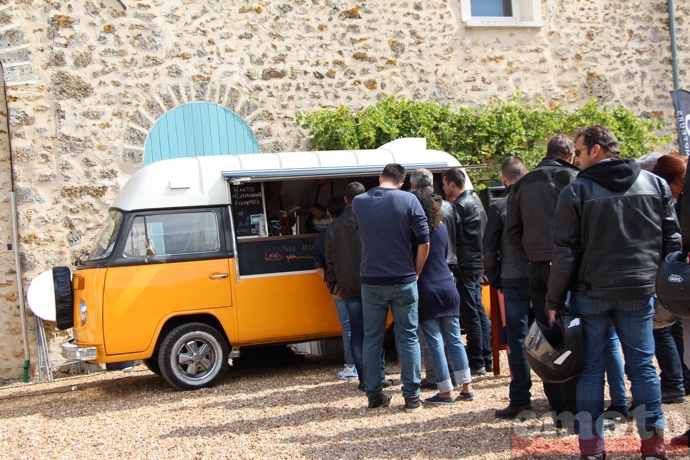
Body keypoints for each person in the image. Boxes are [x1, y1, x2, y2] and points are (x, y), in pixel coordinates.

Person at [546, 125, 681, 459]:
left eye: (577, 151)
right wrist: (661, 282)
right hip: (639, 289)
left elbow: (564, 252)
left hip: (591, 291)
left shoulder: (576, 191)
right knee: (643, 367)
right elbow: (671, 240)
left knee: (591, 369)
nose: (575, 158)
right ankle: (652, 445)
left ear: (595, 150)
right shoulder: (656, 184)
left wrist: (553, 299)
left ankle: (592, 449)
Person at [504, 133, 581, 419]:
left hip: (536, 265)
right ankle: (575, 402)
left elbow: (512, 233)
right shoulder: (576, 178)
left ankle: (557, 401)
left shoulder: (522, 184)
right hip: (571, 264)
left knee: (547, 332)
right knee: (574, 331)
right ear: (570, 155)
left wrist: (533, 254)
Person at [352, 163, 430, 412]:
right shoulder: (408, 200)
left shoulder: (359, 202)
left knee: (372, 339)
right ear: (402, 182)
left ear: (379, 178)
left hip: (371, 279)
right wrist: (416, 272)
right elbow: (424, 242)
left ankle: (374, 396)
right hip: (404, 278)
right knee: (407, 337)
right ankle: (412, 397)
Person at [324, 182, 391, 391]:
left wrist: (334, 285)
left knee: (357, 332)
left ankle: (363, 378)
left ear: (346, 200)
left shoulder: (334, 226)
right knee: (376, 331)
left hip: (349, 287)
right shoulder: (372, 219)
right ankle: (379, 376)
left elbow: (330, 260)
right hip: (373, 283)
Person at [411, 188, 474, 405]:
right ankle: (467, 386)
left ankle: (445, 390)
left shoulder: (415, 232)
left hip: (427, 288)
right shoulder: (441, 228)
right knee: (455, 339)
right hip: (448, 285)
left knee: (435, 342)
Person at [483, 156, 532, 418]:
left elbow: (489, 250)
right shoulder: (540, 202)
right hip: (541, 278)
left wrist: (496, 279)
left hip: (512, 281)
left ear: (504, 179)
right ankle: (559, 396)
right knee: (549, 334)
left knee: (517, 339)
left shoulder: (500, 205)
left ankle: (521, 399)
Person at [442, 168, 491, 376]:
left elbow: (455, 237)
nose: (443, 189)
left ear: (452, 184)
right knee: (478, 311)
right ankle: (486, 358)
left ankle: (477, 361)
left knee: (471, 313)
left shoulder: (460, 206)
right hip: (478, 262)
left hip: (467, 264)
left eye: (444, 184)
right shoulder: (477, 200)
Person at [410, 168, 456, 389]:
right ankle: (461, 380)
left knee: (430, 336)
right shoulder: (448, 208)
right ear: (432, 184)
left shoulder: (414, 212)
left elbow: (420, 246)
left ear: (412, 186)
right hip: (448, 273)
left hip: (427, 278)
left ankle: (438, 379)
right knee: (453, 336)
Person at [650, 154, 690, 405]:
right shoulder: (670, 201)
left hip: (668, 273)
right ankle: (681, 380)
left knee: (663, 328)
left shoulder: (673, 202)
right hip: (672, 274)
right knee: (673, 327)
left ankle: (675, 382)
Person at [312, 196, 356, 380]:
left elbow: (319, 265)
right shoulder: (356, 228)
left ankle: (351, 367)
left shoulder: (324, 234)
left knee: (347, 326)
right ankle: (369, 365)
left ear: (328, 213)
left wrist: (332, 286)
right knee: (366, 325)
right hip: (360, 285)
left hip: (339, 289)